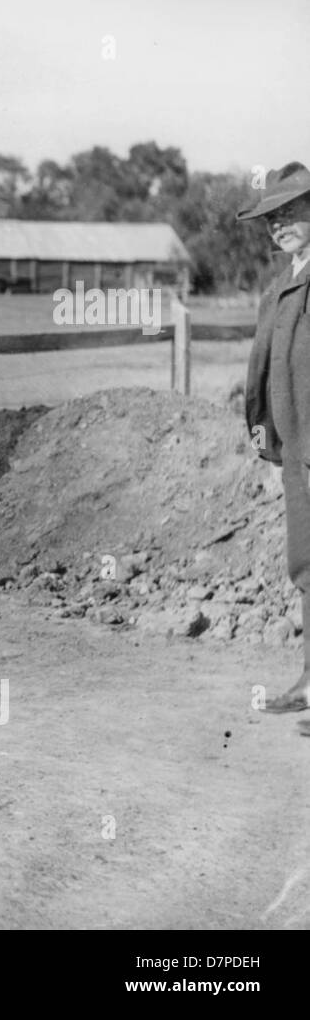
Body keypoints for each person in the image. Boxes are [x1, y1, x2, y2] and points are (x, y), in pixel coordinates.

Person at [241, 160, 310, 712]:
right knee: (306, 563)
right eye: (271, 218)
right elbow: (268, 370)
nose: (277, 225)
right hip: (297, 453)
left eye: (288, 212)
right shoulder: (282, 286)